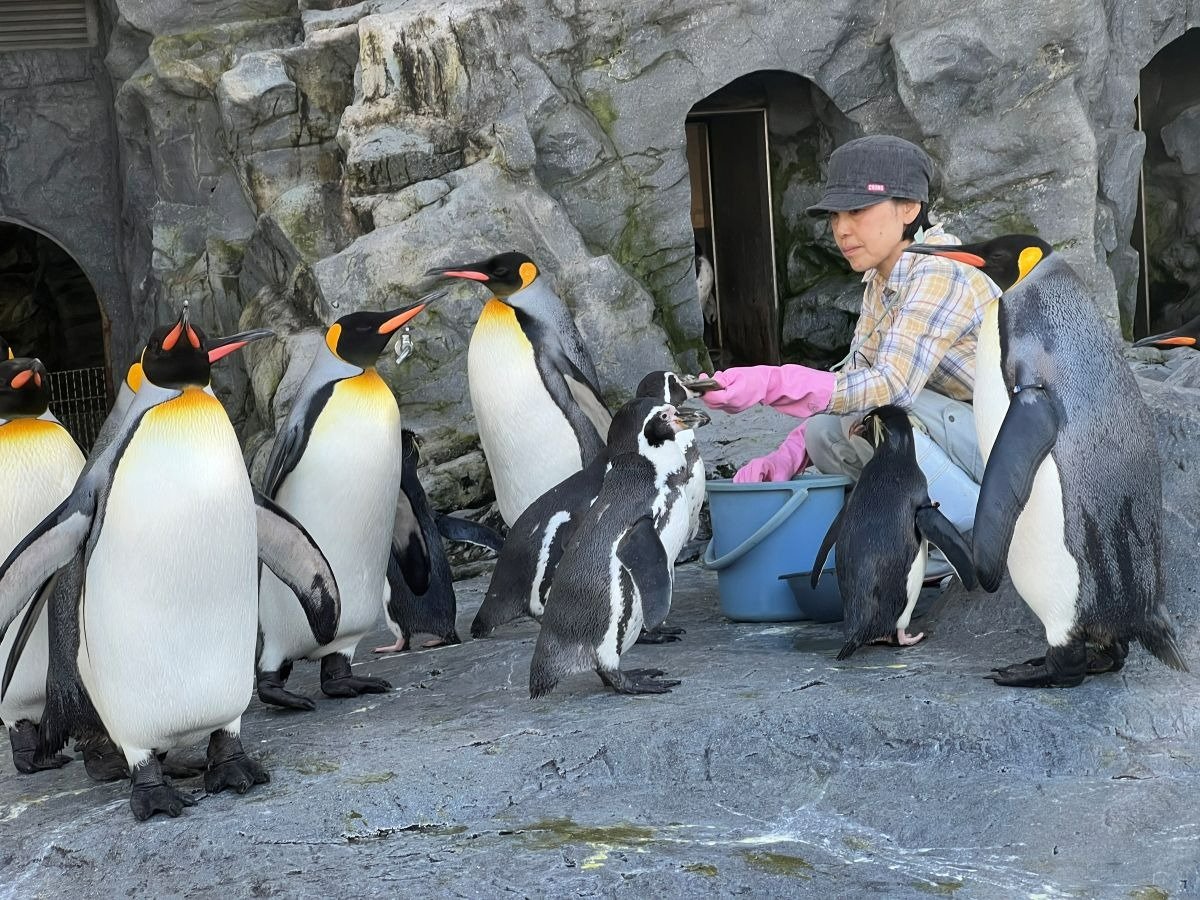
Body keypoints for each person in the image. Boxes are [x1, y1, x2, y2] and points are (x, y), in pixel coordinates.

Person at [699, 134, 1001, 541]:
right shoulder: (883, 277)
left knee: (887, 414)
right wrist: (789, 454)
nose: (841, 230)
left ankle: (979, 535)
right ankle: (912, 542)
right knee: (824, 432)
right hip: (968, 441)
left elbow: (891, 384)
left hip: (1011, 453)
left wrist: (775, 381)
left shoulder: (940, 269)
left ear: (909, 208)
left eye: (857, 210)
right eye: (835, 216)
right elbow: (855, 379)